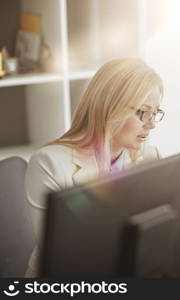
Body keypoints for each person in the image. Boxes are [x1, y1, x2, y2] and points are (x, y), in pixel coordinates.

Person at [24, 58, 165, 277]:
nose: (151, 124)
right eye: (143, 112)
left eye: (155, 113)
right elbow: (64, 257)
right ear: (110, 109)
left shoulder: (149, 156)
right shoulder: (50, 164)